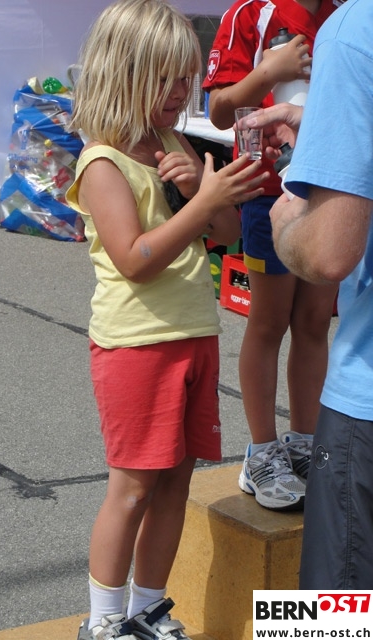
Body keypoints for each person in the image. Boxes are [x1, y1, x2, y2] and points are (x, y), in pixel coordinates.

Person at [65, 1, 268, 638]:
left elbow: (226, 230)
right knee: (132, 488)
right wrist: (199, 204)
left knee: (176, 482)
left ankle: (147, 606)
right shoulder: (102, 161)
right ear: (122, 73)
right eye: (166, 78)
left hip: (193, 336)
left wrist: (198, 194)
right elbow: (134, 260)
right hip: (137, 346)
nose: (182, 91)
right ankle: (103, 620)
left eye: (186, 77)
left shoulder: (173, 143)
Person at [246, 0, 373, 588]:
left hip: (365, 404)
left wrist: (286, 225)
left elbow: (327, 255)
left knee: (328, 620)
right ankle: (271, 447)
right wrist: (323, 130)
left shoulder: (355, 27)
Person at [202, 0, 340, 512]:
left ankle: (304, 442)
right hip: (267, 195)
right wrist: (268, 72)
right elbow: (219, 110)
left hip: (330, 190)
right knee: (269, 322)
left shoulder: (343, 15)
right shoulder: (249, 14)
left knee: (314, 322)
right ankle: (261, 451)